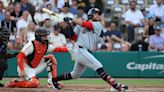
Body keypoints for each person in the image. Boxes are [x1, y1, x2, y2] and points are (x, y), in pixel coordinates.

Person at [49, 8, 128, 91]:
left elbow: (87, 25)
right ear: (90, 14)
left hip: (85, 52)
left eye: (98, 14)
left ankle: (53, 80)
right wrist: (69, 25)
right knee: (98, 66)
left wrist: (72, 19)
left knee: (75, 75)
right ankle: (115, 85)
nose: (98, 15)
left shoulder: (98, 25)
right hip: (80, 50)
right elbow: (73, 37)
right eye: (96, 14)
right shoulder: (80, 25)